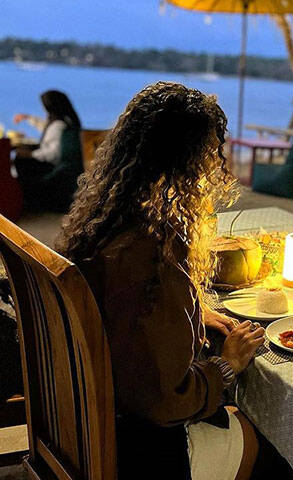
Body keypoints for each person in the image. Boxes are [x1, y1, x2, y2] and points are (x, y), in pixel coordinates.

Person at [55, 82, 264, 480]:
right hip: (141, 449)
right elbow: (167, 399)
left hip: (82, 418)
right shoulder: (153, 260)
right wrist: (226, 366)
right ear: (190, 165)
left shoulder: (108, 224)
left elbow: (129, 318)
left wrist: (189, 312)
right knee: (256, 429)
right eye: (208, 158)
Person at [13, 90, 83, 211]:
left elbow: (53, 153)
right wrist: (29, 118)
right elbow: (47, 129)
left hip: (52, 166)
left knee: (19, 161)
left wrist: (30, 154)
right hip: (57, 164)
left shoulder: (59, 125)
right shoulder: (62, 122)